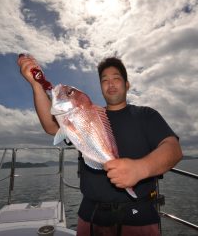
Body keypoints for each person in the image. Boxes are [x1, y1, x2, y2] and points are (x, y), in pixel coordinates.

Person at [18, 55, 182, 236]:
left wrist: (140, 169)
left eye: (116, 78)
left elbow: (173, 149)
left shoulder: (146, 115)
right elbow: (50, 127)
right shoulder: (88, 114)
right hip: (91, 215)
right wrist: (36, 85)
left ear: (127, 85)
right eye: (105, 80)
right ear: (101, 88)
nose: (110, 84)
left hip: (138, 216)